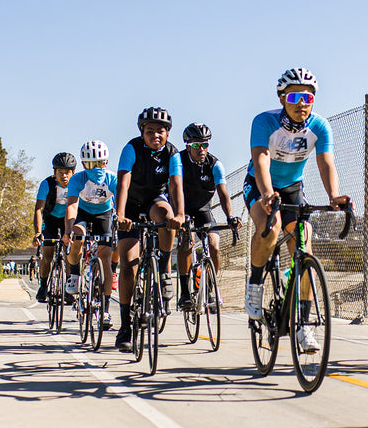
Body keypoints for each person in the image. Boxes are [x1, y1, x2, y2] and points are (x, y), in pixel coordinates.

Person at [243, 68, 349, 352]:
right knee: (271, 226)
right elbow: (261, 159)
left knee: (305, 244)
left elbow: (326, 163)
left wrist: (334, 195)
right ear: (281, 98)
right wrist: (266, 194)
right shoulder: (264, 122)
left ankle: (303, 325)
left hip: (292, 187)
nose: (303, 102)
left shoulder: (320, 126)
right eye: (295, 96)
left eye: (309, 96)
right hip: (260, 183)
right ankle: (254, 285)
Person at [113, 107, 185, 352]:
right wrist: (120, 214)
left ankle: (163, 268)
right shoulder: (131, 148)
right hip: (130, 205)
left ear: (167, 133)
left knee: (166, 216)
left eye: (161, 131)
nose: (156, 135)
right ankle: (125, 326)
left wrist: (180, 214)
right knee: (128, 264)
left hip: (155, 198)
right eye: (150, 131)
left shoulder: (172, 153)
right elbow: (123, 182)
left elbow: (176, 186)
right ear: (142, 131)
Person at [176, 123, 240, 312]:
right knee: (187, 242)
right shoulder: (178, 161)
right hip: (183, 208)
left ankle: (211, 286)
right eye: (197, 145)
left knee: (214, 243)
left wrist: (230, 216)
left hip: (203, 208)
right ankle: (185, 293)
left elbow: (223, 194)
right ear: (188, 145)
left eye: (205, 144)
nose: (202, 149)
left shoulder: (214, 164)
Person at [61, 140, 118, 330]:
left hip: (104, 214)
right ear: (84, 165)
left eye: (100, 163)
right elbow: (71, 205)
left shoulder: (112, 179)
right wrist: (69, 228)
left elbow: (119, 205)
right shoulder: (78, 179)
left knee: (105, 257)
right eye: (91, 164)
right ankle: (75, 274)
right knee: (78, 234)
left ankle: (106, 309)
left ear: (106, 162)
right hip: (83, 213)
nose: (96, 168)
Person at [32, 152, 76, 303]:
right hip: (50, 219)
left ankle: (69, 289)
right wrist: (38, 232)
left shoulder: (77, 184)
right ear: (54, 172)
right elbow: (39, 209)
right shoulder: (47, 184)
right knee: (48, 255)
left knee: (69, 254)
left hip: (68, 220)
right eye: (60, 172)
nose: (64, 176)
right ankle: (43, 286)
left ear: (73, 173)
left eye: (67, 173)